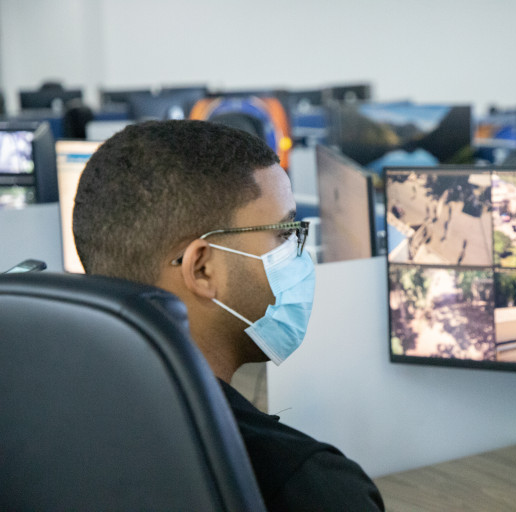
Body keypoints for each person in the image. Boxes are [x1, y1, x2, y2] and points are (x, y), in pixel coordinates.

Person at [73, 120, 385, 511]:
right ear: (203, 269)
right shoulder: (307, 487)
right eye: (284, 234)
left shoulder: (43, 413)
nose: (298, 254)